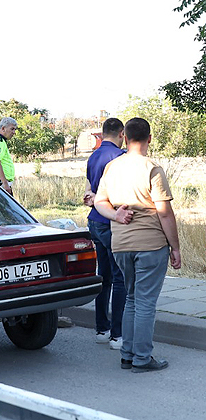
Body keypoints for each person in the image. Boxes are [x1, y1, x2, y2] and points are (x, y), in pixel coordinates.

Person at [95, 117, 181, 373]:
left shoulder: (112, 167)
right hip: (150, 245)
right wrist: (175, 247)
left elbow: (100, 202)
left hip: (120, 244)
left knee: (132, 298)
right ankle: (142, 358)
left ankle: (128, 355)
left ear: (125, 137)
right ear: (149, 138)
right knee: (144, 302)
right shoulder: (151, 168)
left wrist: (116, 215)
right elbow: (164, 213)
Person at [83, 118, 126, 350]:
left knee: (104, 276)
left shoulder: (93, 156)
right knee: (120, 277)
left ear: (102, 133)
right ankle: (117, 335)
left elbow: (91, 188)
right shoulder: (121, 157)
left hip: (94, 221)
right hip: (111, 221)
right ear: (121, 133)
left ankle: (102, 328)